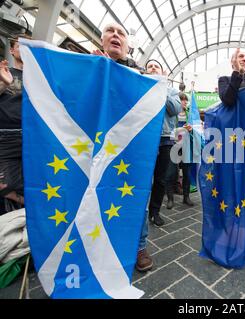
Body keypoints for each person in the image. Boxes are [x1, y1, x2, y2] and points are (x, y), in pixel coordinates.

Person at [93, 23, 155, 272]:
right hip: (97, 148)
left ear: (129, 45)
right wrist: (97, 70)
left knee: (137, 195)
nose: (116, 35)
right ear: (102, 40)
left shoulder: (141, 74)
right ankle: (97, 242)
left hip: (133, 150)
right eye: (110, 31)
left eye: (121, 32)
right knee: (99, 193)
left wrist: (115, 69)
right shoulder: (89, 66)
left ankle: (139, 246)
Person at [145, 59, 182, 229]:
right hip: (144, 137)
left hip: (165, 139)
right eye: (149, 66)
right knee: (143, 177)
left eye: (156, 66)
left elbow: (174, 109)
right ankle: (140, 210)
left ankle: (154, 212)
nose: (153, 68)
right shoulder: (141, 85)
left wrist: (162, 86)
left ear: (163, 71)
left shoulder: (172, 90)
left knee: (160, 179)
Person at [0, 35, 28, 215]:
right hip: (6, 136)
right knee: (5, 183)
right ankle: (21, 202)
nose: (24, 48)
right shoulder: (4, 71)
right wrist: (4, 83)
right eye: (20, 45)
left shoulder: (41, 77)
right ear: (11, 50)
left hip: (32, 136)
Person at [165, 92, 194, 209]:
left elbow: (194, 129)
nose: (185, 102)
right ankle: (170, 199)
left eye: (186, 100)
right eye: (183, 100)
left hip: (186, 146)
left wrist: (191, 129)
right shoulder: (172, 113)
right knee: (170, 173)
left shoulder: (189, 114)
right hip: (174, 146)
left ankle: (186, 197)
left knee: (187, 173)